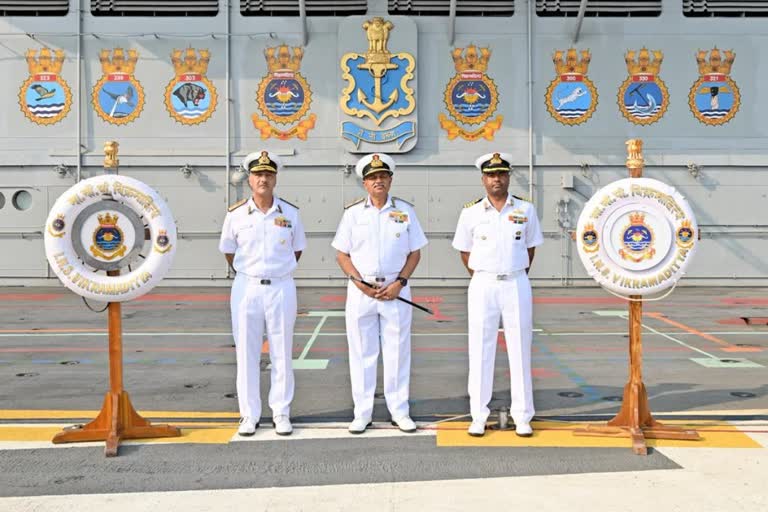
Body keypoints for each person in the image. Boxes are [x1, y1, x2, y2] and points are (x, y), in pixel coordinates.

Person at [332, 153, 428, 434]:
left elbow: (414, 253)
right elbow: (342, 254)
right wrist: (358, 282)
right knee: (362, 353)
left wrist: (400, 282)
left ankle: (399, 411)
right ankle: (362, 413)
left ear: (390, 180)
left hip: (395, 291)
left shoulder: (406, 212)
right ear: (365, 183)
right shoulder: (352, 214)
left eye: (383, 177)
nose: (378, 181)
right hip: (362, 292)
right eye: (373, 178)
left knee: (397, 353)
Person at [451, 152, 543, 438]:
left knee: (520, 349)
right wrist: (484, 274)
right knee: (480, 350)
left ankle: (523, 415)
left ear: (508, 176)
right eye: (491, 175)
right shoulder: (471, 212)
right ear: (483, 179)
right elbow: (465, 251)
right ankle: (478, 415)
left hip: (516, 282)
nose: (497, 179)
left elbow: (530, 248)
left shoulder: (525, 210)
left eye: (501, 174)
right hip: (483, 283)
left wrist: (514, 271)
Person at [219, 150, 306, 437]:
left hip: (281, 286)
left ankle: (281, 412)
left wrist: (275, 270)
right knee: (246, 352)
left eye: (268, 174)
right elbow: (229, 252)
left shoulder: (290, 213)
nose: (263, 179)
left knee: (282, 352)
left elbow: (297, 249)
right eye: (258, 174)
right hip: (247, 287)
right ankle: (249, 415)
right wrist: (252, 272)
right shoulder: (235, 214)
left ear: (275, 178)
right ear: (250, 179)